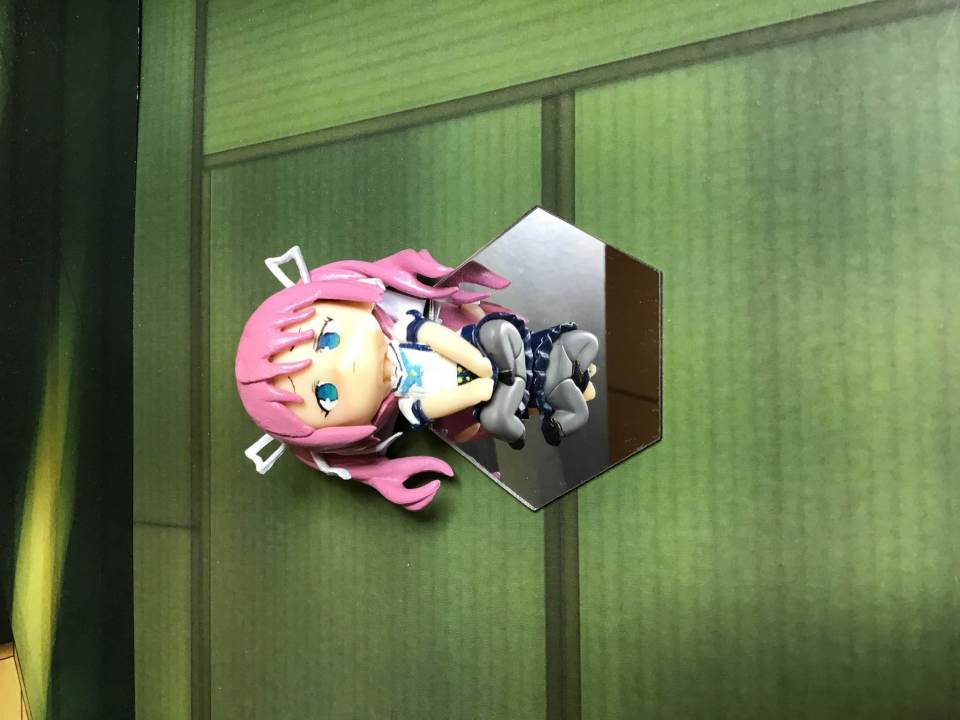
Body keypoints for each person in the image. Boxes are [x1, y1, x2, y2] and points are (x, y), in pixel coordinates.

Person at [235, 246, 597, 511]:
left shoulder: (407, 328)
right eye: (326, 395)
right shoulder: (412, 406)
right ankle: (555, 408)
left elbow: (436, 335)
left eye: (328, 339)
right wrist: (479, 388)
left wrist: (478, 363)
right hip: (492, 396)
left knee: (510, 335)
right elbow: (444, 408)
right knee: (502, 416)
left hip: (490, 348)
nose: (346, 367)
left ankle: (551, 383)